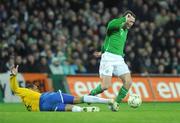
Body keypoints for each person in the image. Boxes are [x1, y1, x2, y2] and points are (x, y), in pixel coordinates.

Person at [10, 65, 115, 112]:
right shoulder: (25, 91)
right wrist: (13, 76)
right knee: (78, 99)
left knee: (68, 108)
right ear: (30, 88)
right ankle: (108, 101)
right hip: (47, 98)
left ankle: (84, 110)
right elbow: (15, 88)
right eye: (35, 87)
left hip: (44, 107)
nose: (37, 88)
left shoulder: (27, 105)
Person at [89, 10, 136, 111]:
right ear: (125, 18)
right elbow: (109, 26)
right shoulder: (115, 25)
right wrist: (124, 19)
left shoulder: (126, 31)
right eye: (130, 20)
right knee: (106, 86)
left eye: (133, 22)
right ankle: (91, 95)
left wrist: (101, 51)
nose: (131, 24)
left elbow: (107, 40)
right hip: (109, 58)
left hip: (119, 58)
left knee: (128, 82)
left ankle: (116, 104)